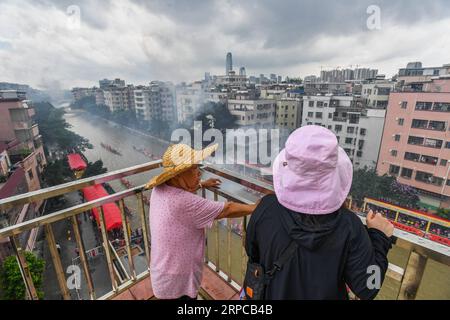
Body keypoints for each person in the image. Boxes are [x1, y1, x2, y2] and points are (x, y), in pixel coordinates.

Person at [245, 126, 394, 300]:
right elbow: (369, 287)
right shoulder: (349, 226)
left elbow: (252, 251)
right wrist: (379, 238)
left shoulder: (266, 208)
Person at [145, 143, 258, 300]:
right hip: (178, 281)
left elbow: (181, 188)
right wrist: (255, 207)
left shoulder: (159, 190)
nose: (199, 173)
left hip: (162, 274)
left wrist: (202, 184)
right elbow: (227, 208)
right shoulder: (183, 202)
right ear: (177, 175)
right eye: (193, 169)